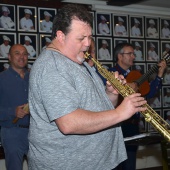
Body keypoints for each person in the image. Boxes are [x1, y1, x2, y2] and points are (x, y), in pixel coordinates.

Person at [28, 4, 147, 170]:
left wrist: (110, 94)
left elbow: (95, 107)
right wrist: (121, 113)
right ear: (61, 36)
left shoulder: (78, 61)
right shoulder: (52, 66)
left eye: (90, 37)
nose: (87, 44)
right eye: (81, 38)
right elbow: (69, 123)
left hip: (98, 163)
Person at [107, 42, 167, 170]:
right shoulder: (111, 73)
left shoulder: (136, 75)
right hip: (117, 126)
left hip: (133, 125)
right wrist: (126, 86)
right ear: (120, 56)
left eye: (134, 53)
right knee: (116, 164)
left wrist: (160, 74)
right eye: (130, 53)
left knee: (130, 164)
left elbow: (149, 92)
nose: (133, 56)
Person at [0, 44, 30, 170]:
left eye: (24, 54)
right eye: (17, 53)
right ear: (9, 57)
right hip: (12, 132)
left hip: (36, 133)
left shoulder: (34, 77)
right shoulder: (1, 78)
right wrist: (13, 111)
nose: (22, 57)